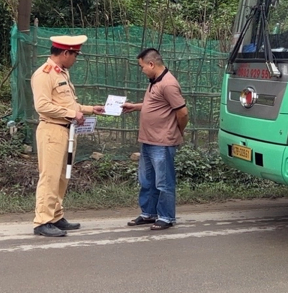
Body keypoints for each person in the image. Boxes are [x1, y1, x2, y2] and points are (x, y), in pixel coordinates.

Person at [30, 35, 105, 237]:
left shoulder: (61, 73)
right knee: (49, 176)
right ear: (65, 53)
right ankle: (42, 221)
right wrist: (73, 114)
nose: (76, 59)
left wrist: (90, 109)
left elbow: (68, 106)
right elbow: (43, 106)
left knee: (62, 177)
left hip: (66, 131)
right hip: (52, 130)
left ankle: (55, 215)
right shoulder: (44, 74)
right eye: (75, 55)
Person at [122, 48, 188, 231]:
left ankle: (166, 216)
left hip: (162, 142)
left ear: (151, 64)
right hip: (148, 140)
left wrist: (177, 131)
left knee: (163, 181)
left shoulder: (168, 84)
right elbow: (155, 104)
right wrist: (134, 106)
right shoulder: (154, 81)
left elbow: (182, 113)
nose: (142, 70)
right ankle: (148, 213)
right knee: (146, 180)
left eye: (142, 66)